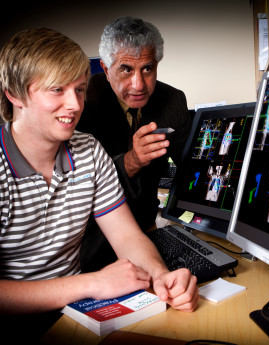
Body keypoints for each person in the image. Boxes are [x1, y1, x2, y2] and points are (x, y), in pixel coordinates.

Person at [0, 27, 198, 343]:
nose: (74, 105)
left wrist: (162, 277)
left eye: (79, 90)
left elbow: (127, 236)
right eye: (57, 90)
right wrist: (92, 284)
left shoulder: (90, 150)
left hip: (76, 316)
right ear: (14, 93)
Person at [77, 16, 193, 271]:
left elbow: (189, 172)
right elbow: (78, 188)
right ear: (106, 70)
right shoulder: (79, 104)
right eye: (126, 69)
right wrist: (131, 162)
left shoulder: (173, 101)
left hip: (148, 228)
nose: (139, 85)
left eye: (147, 69)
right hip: (91, 245)